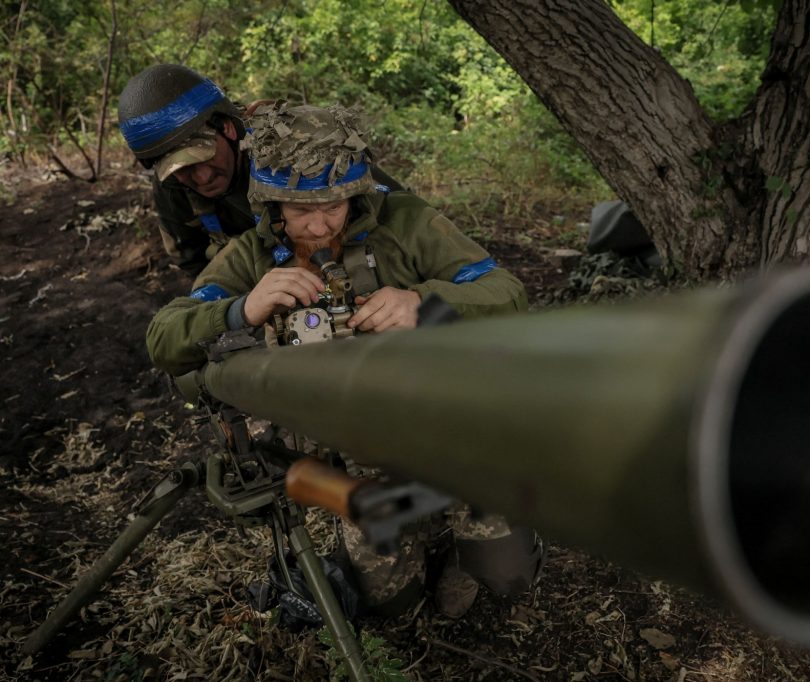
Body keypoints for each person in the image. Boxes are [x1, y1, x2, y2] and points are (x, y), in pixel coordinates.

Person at [146, 101, 541, 618]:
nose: (317, 226)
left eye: (333, 207)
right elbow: (164, 337)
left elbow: (506, 291)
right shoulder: (250, 256)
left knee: (505, 577)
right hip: (364, 452)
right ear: (270, 206)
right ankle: (416, 523)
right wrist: (241, 308)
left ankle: (472, 542)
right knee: (389, 603)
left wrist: (422, 301)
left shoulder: (405, 221)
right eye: (300, 211)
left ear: (356, 193)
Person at [117, 64, 402, 274]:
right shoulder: (172, 186)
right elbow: (194, 264)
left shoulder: (288, 146)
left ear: (227, 128)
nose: (201, 178)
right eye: (183, 170)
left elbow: (400, 209)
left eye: (205, 157)